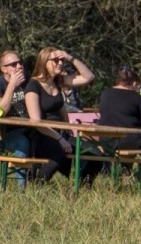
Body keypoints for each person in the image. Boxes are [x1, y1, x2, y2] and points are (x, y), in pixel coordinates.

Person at [23, 47, 97, 183]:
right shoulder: (33, 86)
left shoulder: (58, 81)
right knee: (59, 155)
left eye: (62, 60)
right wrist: (60, 139)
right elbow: (36, 122)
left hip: (60, 133)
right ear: (44, 62)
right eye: (55, 60)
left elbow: (89, 77)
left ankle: (83, 186)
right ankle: (37, 184)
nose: (60, 63)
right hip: (41, 135)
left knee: (95, 153)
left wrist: (70, 58)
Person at [97, 65, 141, 162]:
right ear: (134, 83)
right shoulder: (138, 98)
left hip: (106, 140)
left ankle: (115, 169)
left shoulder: (105, 94)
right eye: (137, 86)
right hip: (132, 140)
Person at [0, 50, 33, 186]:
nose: (19, 66)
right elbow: (0, 112)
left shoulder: (30, 81)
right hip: (10, 132)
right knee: (22, 143)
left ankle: (40, 181)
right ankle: (21, 190)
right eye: (13, 64)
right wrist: (12, 85)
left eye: (20, 62)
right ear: (4, 69)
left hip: (34, 127)